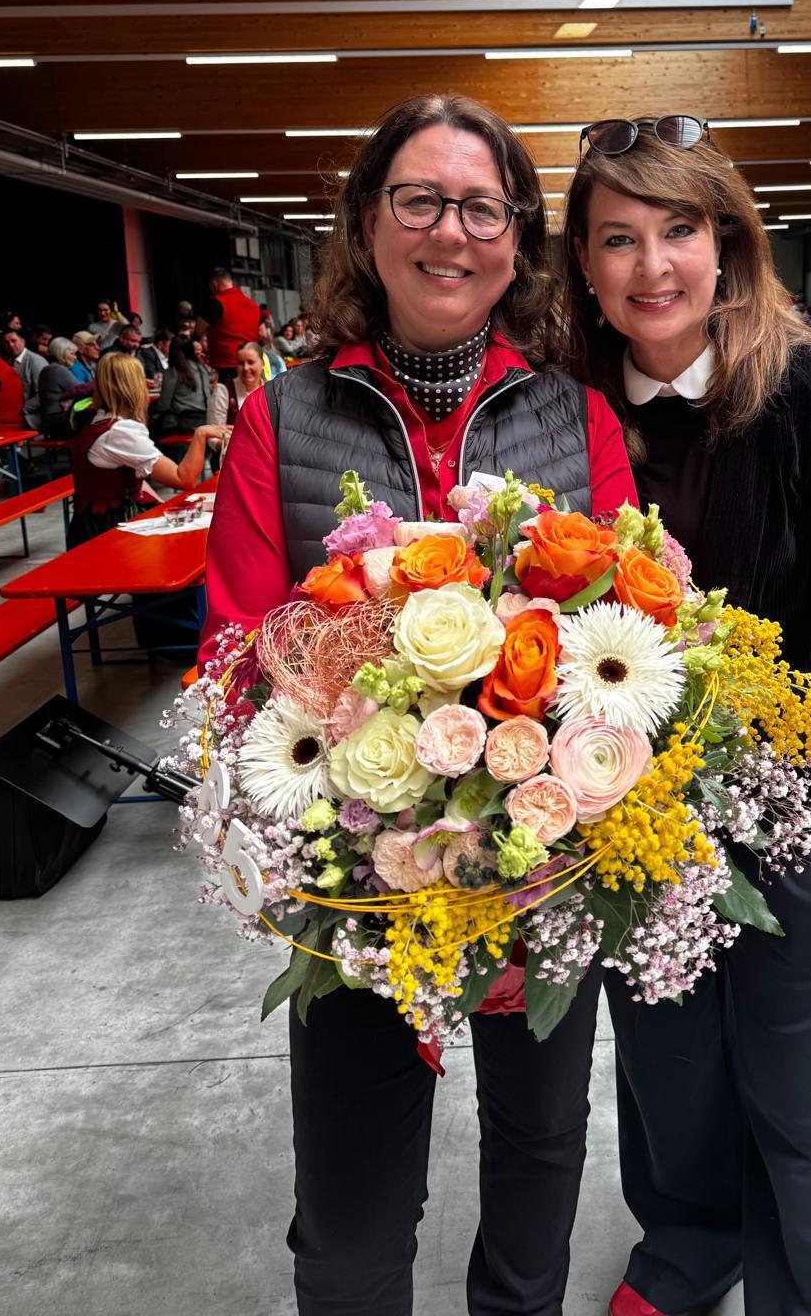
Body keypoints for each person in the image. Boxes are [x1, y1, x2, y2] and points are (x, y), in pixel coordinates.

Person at [202, 92, 636, 1316]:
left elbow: (629, 643)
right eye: (420, 199)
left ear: (518, 240)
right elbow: (238, 656)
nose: (452, 233)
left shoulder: (575, 413)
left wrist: (530, 844)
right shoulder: (279, 417)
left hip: (549, 862)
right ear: (365, 222)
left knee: (542, 1150)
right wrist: (368, 802)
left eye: (483, 207)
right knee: (347, 1218)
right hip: (348, 886)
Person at [557, 113, 811, 1316]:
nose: (652, 265)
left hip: (791, 805)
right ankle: (690, 1240)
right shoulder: (567, 410)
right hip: (625, 813)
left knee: (807, 1079)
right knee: (670, 1066)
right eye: (618, 238)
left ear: (727, 245)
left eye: (678, 230)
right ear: (584, 266)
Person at [68, 352, 227, 546]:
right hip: (107, 529)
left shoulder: (96, 421)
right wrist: (201, 435)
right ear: (133, 387)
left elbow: (133, 479)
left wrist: (162, 506)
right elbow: (184, 478)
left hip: (86, 523)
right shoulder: (121, 431)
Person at [195, 266, 260, 385]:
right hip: (251, 364)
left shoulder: (217, 303)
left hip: (225, 367)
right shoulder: (253, 305)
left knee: (228, 401)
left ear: (214, 284)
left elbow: (198, 330)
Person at [154, 337, 213, 436]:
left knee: (152, 430)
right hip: (204, 420)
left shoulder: (175, 370)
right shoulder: (201, 367)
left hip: (181, 423)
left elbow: (164, 405)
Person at [0, 328, 48, 430]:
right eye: (6, 342)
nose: (10, 345)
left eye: (13, 341)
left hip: (33, 415)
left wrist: (20, 409)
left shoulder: (36, 361)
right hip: (15, 412)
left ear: (23, 341)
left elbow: (43, 394)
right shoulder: (9, 362)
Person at [207, 340, 265, 424]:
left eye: (251, 362)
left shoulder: (272, 392)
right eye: (241, 363)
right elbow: (214, 433)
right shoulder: (223, 391)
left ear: (262, 364)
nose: (245, 368)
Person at [38, 337, 85, 439]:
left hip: (50, 421)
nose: (75, 357)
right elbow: (81, 391)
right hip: (60, 421)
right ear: (62, 354)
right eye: (72, 354)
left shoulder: (46, 369)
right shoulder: (58, 370)